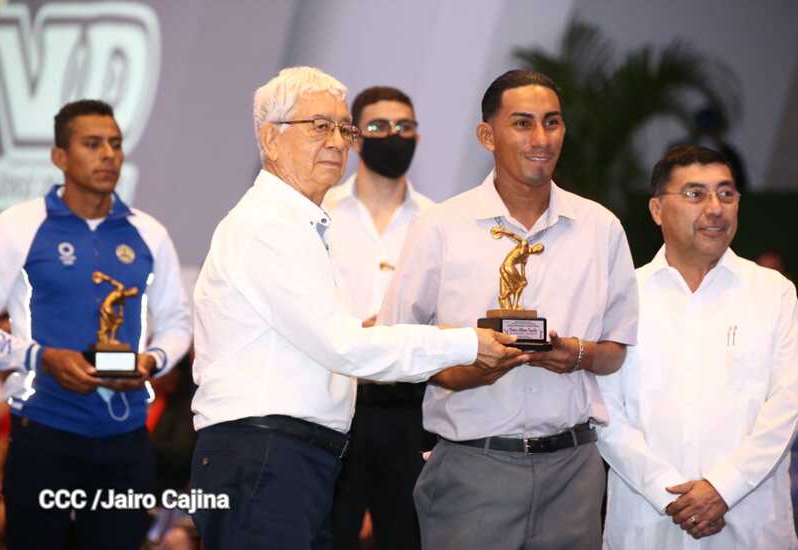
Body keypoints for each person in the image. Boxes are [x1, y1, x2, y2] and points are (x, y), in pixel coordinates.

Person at [189, 66, 522, 550]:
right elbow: (343, 345)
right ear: (270, 138)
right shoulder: (267, 227)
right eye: (318, 126)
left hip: (289, 454)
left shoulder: (299, 224)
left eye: (343, 128)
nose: (337, 142)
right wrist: (465, 343)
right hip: (265, 453)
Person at [377, 69, 639, 549]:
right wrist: (462, 371)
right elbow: (397, 343)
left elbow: (616, 349)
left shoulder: (600, 228)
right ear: (487, 135)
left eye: (552, 122)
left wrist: (577, 354)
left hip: (573, 472)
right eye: (522, 123)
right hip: (473, 467)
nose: (541, 138)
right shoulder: (440, 226)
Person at [0, 99, 192, 549]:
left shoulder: (149, 233)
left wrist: (151, 361)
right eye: (92, 144)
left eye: (115, 144)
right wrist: (40, 357)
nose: (108, 154)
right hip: (43, 431)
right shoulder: (18, 226)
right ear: (60, 156)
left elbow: (177, 322)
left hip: (125, 439)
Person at [597, 145, 798, 549]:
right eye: (695, 194)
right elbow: (604, 412)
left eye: (726, 194)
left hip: (750, 524)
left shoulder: (773, 292)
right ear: (657, 210)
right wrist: (671, 493)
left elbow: (786, 406)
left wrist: (723, 488)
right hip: (649, 524)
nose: (716, 208)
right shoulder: (621, 294)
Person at [323, 86, 434, 550]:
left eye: (405, 127)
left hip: (409, 406)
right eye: (379, 126)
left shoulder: (436, 221)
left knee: (407, 536)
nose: (394, 135)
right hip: (334, 400)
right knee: (325, 534)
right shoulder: (321, 212)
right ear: (354, 137)